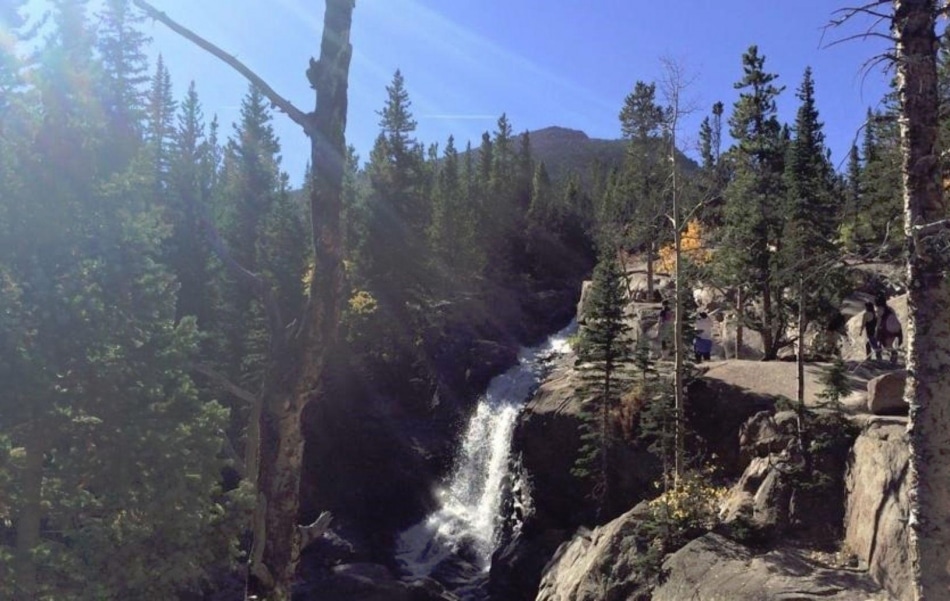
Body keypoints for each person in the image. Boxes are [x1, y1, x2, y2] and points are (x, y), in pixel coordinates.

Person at [874, 297, 903, 365]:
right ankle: (893, 356)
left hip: (887, 329)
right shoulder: (890, 308)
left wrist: (876, 331)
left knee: (885, 344)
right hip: (896, 328)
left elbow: (879, 321)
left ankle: (883, 357)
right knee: (889, 344)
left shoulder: (879, 310)